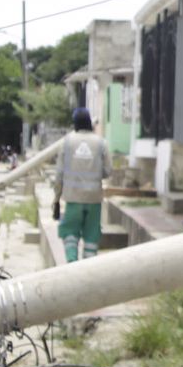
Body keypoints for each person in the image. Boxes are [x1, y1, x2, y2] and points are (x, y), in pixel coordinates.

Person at [52, 107, 110, 261]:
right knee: (91, 237)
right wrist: (95, 175)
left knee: (70, 232)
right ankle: (89, 272)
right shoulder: (101, 143)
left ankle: (72, 265)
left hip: (73, 199)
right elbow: (108, 171)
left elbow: (59, 174)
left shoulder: (67, 142)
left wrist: (56, 199)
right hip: (94, 199)